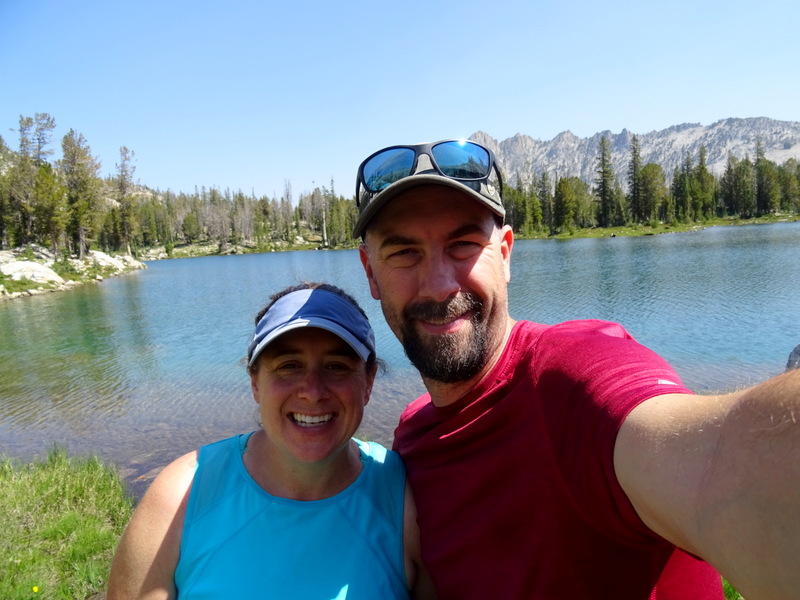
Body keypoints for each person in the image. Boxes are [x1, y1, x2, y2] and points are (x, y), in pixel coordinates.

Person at [353, 139, 800, 600]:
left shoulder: (575, 378)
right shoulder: (414, 437)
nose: (440, 285)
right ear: (370, 272)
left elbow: (718, 458)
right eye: (404, 253)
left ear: (505, 254)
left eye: (463, 244)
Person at [107, 282, 436, 599]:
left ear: (368, 381)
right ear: (255, 382)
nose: (312, 391)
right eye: (288, 366)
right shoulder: (181, 496)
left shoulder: (405, 500)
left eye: (336, 366)